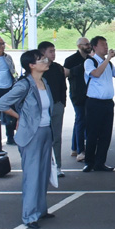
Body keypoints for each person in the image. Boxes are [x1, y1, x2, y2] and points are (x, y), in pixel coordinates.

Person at [0, 50, 55, 229]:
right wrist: (19, 116)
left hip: (45, 131)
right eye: (41, 60)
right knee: (32, 174)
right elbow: (1, 104)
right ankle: (29, 215)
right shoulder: (25, 85)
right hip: (31, 133)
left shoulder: (44, 82)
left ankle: (40, 209)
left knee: (44, 172)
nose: (46, 61)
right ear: (31, 65)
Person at [83, 36, 115, 172]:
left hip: (107, 103)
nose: (106, 47)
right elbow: (95, 74)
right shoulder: (90, 62)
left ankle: (100, 162)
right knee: (92, 134)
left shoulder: (109, 64)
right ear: (94, 47)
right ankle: (89, 161)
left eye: (106, 44)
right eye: (102, 45)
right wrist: (107, 59)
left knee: (106, 134)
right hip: (94, 102)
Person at [37, 41, 67, 177]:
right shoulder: (38, 69)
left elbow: (63, 86)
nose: (53, 54)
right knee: (42, 137)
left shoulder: (58, 68)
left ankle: (57, 166)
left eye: (54, 51)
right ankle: (43, 166)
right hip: (42, 107)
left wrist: (62, 103)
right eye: (50, 51)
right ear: (42, 53)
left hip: (57, 105)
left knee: (56, 137)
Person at [63, 37, 91, 162]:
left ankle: (74, 147)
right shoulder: (71, 60)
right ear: (79, 46)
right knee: (81, 119)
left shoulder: (91, 59)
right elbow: (65, 74)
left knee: (81, 120)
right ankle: (81, 150)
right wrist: (81, 67)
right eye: (86, 44)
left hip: (90, 93)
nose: (89, 46)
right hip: (77, 93)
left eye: (89, 44)